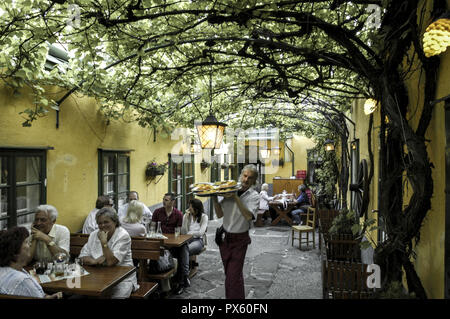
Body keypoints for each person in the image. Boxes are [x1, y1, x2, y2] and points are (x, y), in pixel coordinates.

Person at [212, 164, 259, 299]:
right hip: (225, 238)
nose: (246, 180)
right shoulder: (229, 189)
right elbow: (220, 214)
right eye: (244, 176)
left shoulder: (254, 196)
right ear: (241, 176)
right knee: (232, 275)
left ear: (253, 181)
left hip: (240, 240)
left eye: (250, 178)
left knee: (232, 278)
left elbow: (249, 216)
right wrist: (214, 198)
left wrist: (235, 197)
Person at [79, 207, 138, 299]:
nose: (102, 225)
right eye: (99, 223)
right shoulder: (93, 235)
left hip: (122, 279)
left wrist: (104, 242)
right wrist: (95, 261)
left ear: (114, 222)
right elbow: (82, 257)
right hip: (97, 276)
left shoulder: (123, 236)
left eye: (106, 222)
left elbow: (111, 262)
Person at [0, 226, 63, 299]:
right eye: (26, 242)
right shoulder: (23, 280)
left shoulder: (10, 270)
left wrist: (48, 296)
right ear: (15, 251)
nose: (29, 244)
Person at [151, 193, 186, 294]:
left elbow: (178, 232)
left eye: (166, 200)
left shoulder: (178, 214)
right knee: (155, 253)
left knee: (181, 253)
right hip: (160, 241)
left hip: (173, 243)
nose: (163, 201)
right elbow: (153, 227)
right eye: (163, 199)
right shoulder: (157, 212)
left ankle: (180, 281)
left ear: (173, 202)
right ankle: (160, 284)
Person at [176, 199, 209, 294]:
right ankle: (184, 278)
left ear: (196, 208)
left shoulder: (204, 217)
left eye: (190, 206)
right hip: (186, 240)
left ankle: (181, 280)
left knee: (183, 250)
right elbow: (183, 231)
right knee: (184, 249)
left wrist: (190, 234)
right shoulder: (187, 216)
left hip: (198, 241)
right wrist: (185, 217)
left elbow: (200, 233)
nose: (189, 208)